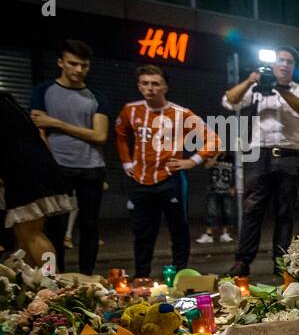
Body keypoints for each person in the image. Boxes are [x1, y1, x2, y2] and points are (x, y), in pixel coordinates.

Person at [115, 65, 219, 279]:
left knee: (178, 230)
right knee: (143, 232)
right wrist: (127, 162)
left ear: (165, 86)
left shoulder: (181, 113)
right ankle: (141, 277)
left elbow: (214, 139)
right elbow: (121, 135)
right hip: (140, 180)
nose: (150, 88)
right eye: (145, 83)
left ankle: (181, 275)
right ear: (139, 86)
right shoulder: (130, 110)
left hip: (170, 179)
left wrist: (192, 161)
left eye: (155, 83)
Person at [224, 47, 299, 276]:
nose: (284, 64)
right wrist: (249, 80)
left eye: (289, 61)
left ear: (294, 68)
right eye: (280, 60)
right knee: (252, 210)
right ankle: (242, 262)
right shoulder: (256, 89)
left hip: (290, 158)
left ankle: (282, 263)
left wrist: (280, 90)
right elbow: (229, 101)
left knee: (285, 213)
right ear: (273, 66)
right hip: (259, 157)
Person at [31, 40, 108, 276]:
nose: (78, 70)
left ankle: (87, 275)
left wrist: (56, 122)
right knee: (56, 227)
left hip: (91, 166)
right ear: (60, 62)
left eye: (83, 65)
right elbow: (37, 130)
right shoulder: (44, 91)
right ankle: (56, 278)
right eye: (73, 64)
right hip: (58, 167)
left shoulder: (95, 96)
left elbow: (100, 135)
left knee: (89, 225)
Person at [0, 91, 72, 271]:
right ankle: (36, 284)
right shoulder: (7, 103)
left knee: (30, 234)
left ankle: (51, 281)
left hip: (23, 172)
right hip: (34, 168)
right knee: (25, 237)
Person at [196, 149, 235, 245]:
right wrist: (216, 155)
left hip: (226, 189)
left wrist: (233, 187)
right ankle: (208, 235)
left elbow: (235, 173)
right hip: (213, 189)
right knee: (211, 212)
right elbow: (207, 166)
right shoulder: (211, 155)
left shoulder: (231, 158)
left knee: (227, 212)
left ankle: (225, 234)